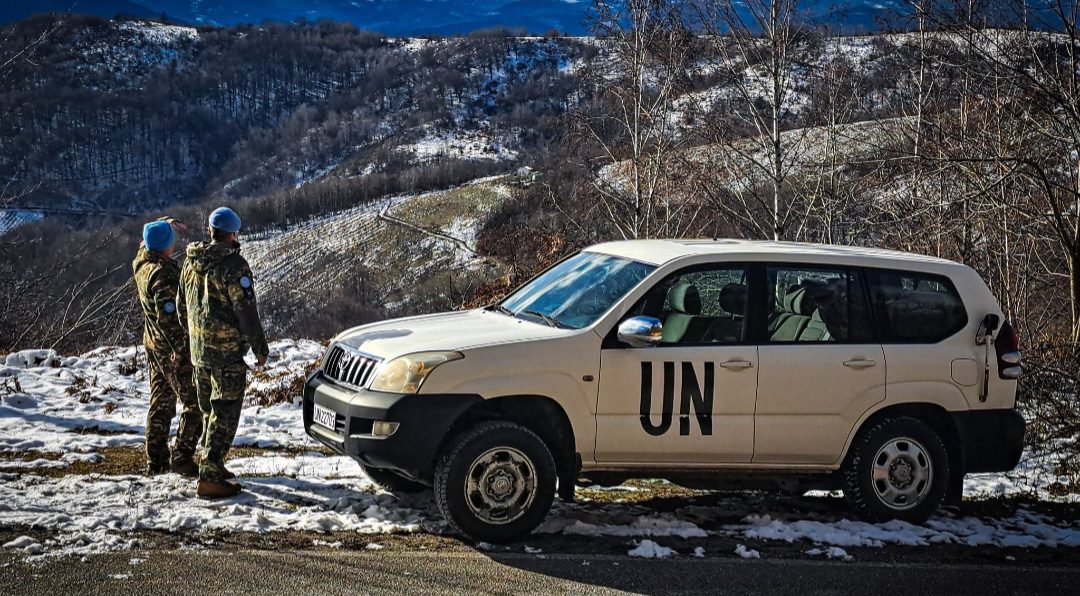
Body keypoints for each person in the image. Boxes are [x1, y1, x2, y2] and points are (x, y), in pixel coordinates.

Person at [178, 207, 269, 499]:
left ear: (210, 231)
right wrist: (259, 348)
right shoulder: (233, 266)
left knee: (209, 411)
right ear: (233, 234)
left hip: (199, 351)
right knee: (225, 412)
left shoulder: (190, 262)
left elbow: (181, 306)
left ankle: (212, 463)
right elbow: (246, 311)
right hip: (226, 353)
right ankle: (210, 475)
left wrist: (195, 337)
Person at [133, 217, 202, 477]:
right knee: (194, 402)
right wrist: (184, 351)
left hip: (153, 344)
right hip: (171, 349)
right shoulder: (162, 275)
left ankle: (156, 459)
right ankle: (182, 456)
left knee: (160, 402)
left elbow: (146, 240)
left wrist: (165, 223)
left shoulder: (142, 262)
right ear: (166, 246)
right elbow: (169, 319)